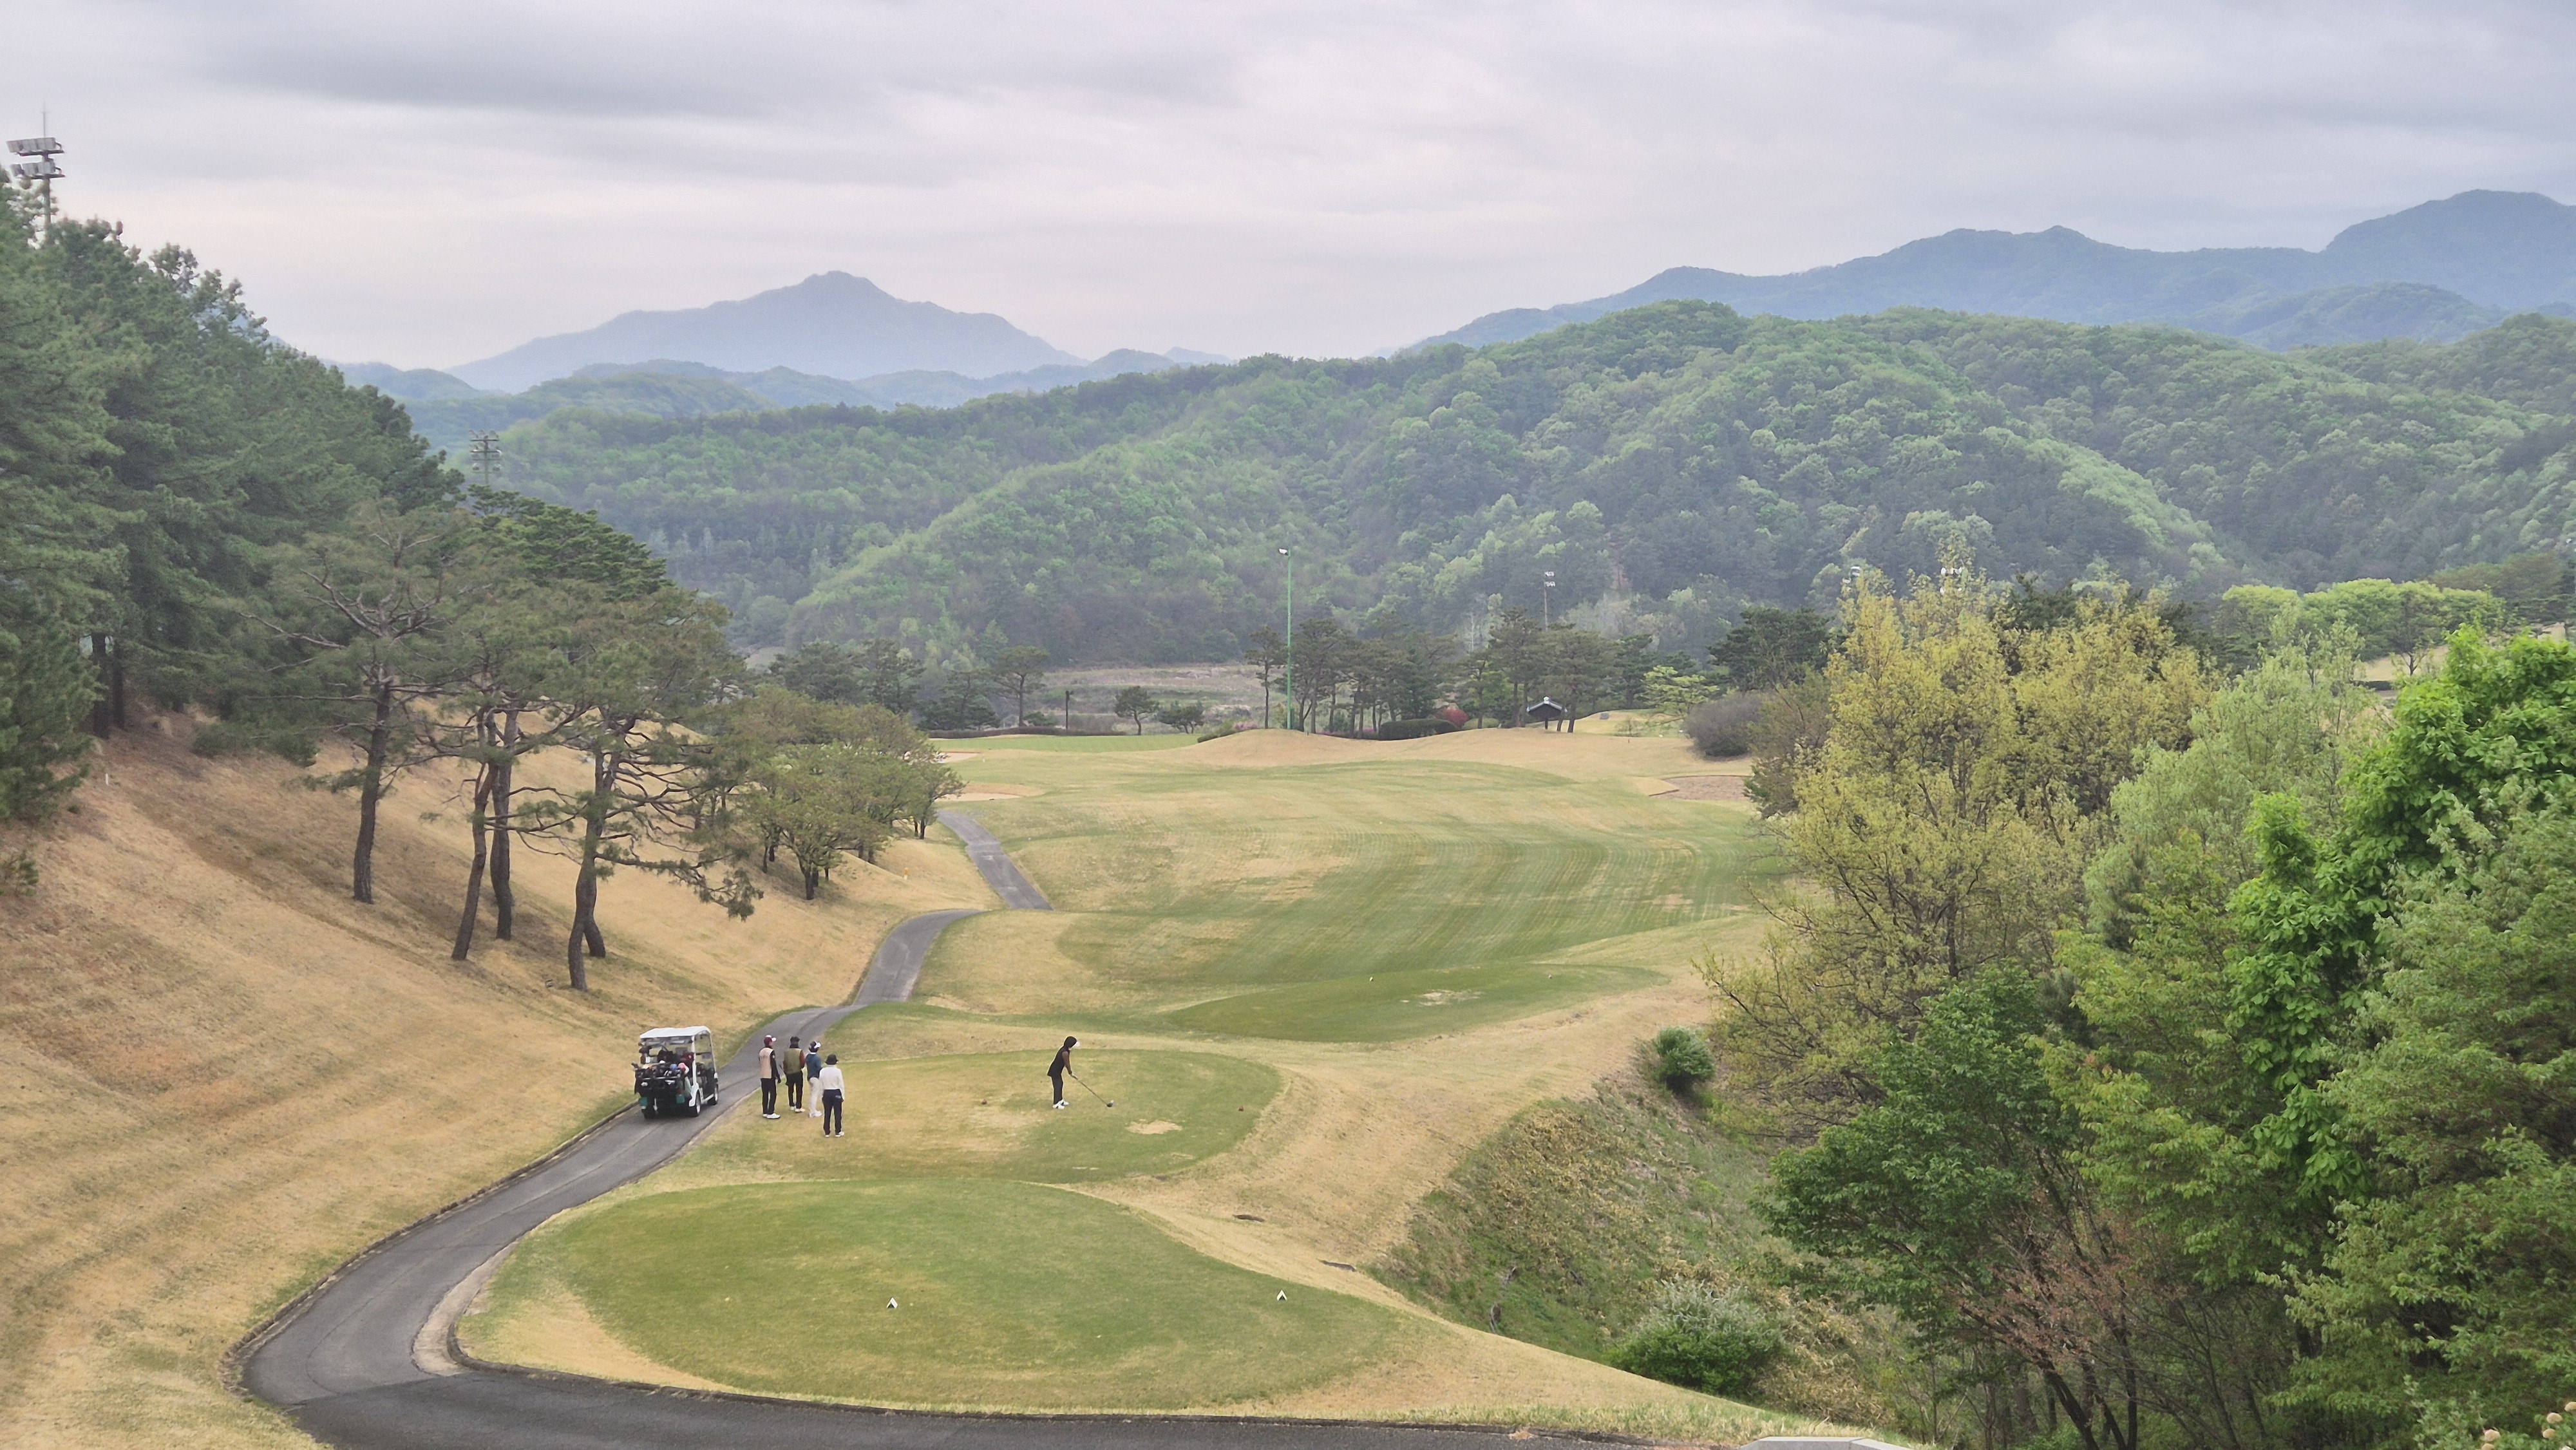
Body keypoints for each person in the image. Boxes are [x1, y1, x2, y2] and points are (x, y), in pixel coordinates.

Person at [817, 1053, 846, 1137]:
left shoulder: (822, 1071)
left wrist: (822, 1095)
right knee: (837, 1113)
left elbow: (821, 1084)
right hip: (836, 1092)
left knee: (827, 1113)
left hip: (826, 1092)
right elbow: (841, 1084)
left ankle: (827, 1132)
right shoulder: (837, 1071)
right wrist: (843, 1096)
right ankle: (838, 1131)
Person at [1046, 1036, 1077, 1109]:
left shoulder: (1066, 1050)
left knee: (1061, 1084)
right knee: (1058, 1086)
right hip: (1055, 1071)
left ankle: (1060, 1100)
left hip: (1058, 1071)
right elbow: (1067, 1064)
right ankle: (1056, 1104)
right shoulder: (1064, 1053)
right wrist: (1070, 1073)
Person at [757, 1035, 779, 1119]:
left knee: (765, 1094)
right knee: (773, 1094)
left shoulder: (761, 1052)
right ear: (770, 1042)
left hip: (763, 1075)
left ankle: (765, 1111)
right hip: (770, 1075)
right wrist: (777, 1075)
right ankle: (771, 1112)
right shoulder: (771, 1052)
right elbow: (773, 1064)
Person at [781, 1034, 805, 1113]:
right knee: (799, 1090)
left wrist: (786, 1071)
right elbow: (802, 1063)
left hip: (789, 1073)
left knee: (790, 1089)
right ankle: (798, 1106)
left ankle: (791, 1104)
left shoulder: (786, 1052)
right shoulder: (800, 1052)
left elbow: (785, 1063)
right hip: (798, 1072)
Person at [804, 1039, 825, 1117]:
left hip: (810, 1077)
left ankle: (812, 1110)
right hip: (815, 1077)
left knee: (812, 1094)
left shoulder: (808, 1057)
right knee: (815, 1095)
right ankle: (812, 1112)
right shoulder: (817, 1058)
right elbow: (819, 1068)